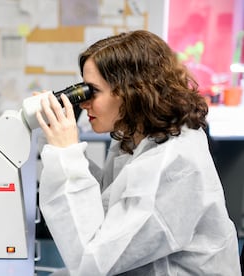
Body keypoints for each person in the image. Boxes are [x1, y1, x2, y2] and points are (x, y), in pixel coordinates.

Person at [35, 30, 241, 275]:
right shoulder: (141, 135)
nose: (83, 102)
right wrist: (63, 145)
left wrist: (66, 154)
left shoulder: (172, 164)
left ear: (131, 92)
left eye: (92, 91)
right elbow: (107, 199)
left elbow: (92, 263)